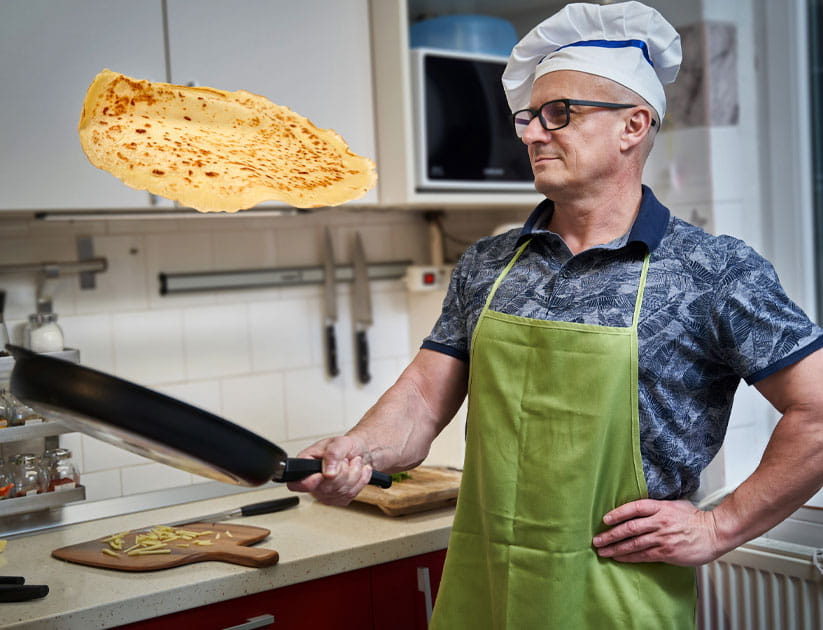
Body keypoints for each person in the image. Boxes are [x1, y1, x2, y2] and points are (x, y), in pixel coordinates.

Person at [288, 2, 823, 627]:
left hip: (619, 601)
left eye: (559, 114)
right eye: (529, 117)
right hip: (482, 590)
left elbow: (817, 411)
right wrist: (356, 451)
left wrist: (721, 526)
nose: (532, 133)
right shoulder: (488, 264)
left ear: (633, 125)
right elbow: (419, 407)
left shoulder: (713, 272)